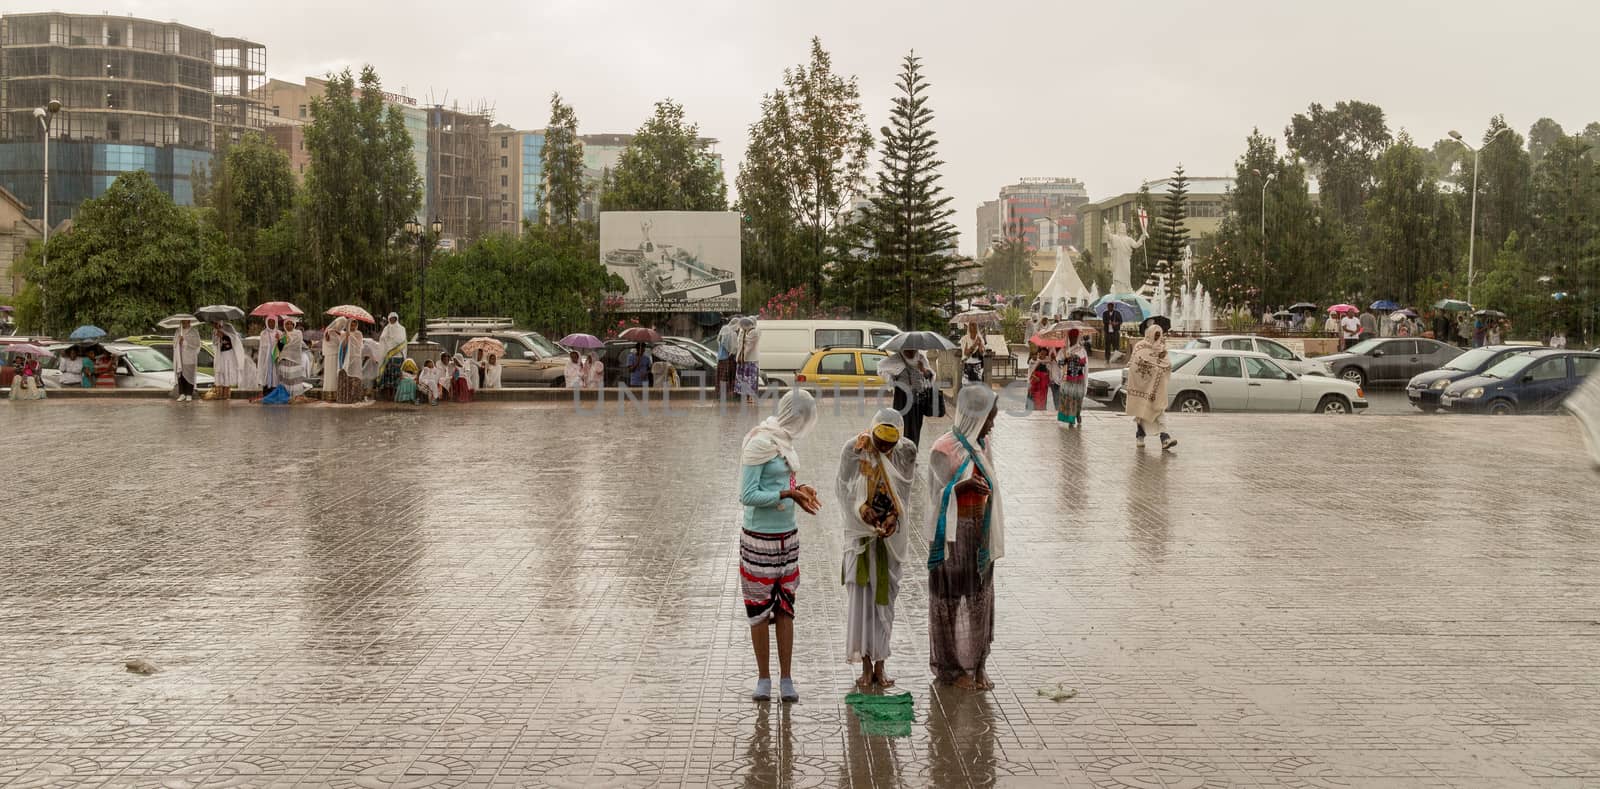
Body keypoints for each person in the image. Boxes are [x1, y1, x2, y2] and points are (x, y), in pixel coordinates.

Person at [739, 389, 821, 703]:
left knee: (786, 607)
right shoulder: (761, 442)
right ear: (796, 416)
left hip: (789, 536)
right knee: (759, 610)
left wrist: (799, 488)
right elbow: (747, 495)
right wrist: (788, 496)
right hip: (759, 539)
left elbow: (780, 484)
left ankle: (787, 677)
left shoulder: (783, 441)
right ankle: (764, 678)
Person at [926, 385, 1005, 690]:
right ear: (975, 415)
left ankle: (979, 663)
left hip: (979, 534)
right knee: (949, 601)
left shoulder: (982, 444)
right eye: (989, 418)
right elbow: (934, 499)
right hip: (953, 537)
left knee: (980, 602)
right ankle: (953, 669)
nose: (992, 425)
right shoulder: (943, 448)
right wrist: (961, 487)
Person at [836, 408, 915, 691]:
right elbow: (842, 490)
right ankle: (866, 666)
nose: (883, 449)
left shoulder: (907, 452)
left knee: (885, 604)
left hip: (889, 540)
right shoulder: (855, 449)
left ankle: (881, 665)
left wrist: (894, 517)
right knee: (863, 601)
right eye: (879, 442)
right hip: (861, 538)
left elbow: (904, 493)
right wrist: (862, 510)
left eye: (889, 445)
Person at [1125, 324, 1176, 451]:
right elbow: (1136, 364)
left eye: (1160, 335)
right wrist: (1153, 368)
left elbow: (1168, 365)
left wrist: (1161, 358)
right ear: (1149, 334)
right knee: (1141, 412)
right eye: (1156, 334)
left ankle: (1165, 439)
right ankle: (1140, 436)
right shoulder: (1140, 346)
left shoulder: (1161, 348)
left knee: (1159, 410)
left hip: (1156, 388)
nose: (1158, 337)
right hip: (1141, 387)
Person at [877, 347, 933, 448]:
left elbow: (930, 376)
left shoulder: (920, 359)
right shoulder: (896, 359)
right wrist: (893, 378)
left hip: (917, 399)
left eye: (913, 350)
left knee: (915, 427)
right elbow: (881, 368)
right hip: (901, 398)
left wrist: (923, 370)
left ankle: (913, 450)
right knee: (901, 425)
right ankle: (900, 449)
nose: (910, 352)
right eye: (908, 350)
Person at [211, 321, 253, 400]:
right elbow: (214, 342)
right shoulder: (214, 330)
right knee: (221, 372)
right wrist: (217, 337)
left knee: (227, 372)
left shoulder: (228, 326)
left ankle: (227, 393)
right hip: (220, 354)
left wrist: (224, 334)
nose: (215, 324)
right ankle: (220, 393)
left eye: (216, 322)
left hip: (228, 354)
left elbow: (235, 338)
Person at [1058, 329, 1089, 427]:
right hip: (1068, 378)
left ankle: (1078, 414)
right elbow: (1059, 362)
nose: (1073, 339)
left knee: (1078, 399)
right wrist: (1066, 359)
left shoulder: (1081, 350)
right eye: (1071, 337)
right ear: (1069, 337)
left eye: (1074, 337)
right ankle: (1071, 419)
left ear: (1077, 338)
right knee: (1069, 399)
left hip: (1078, 379)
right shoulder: (1064, 350)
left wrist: (1075, 358)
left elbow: (1084, 364)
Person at [375, 312, 407, 401]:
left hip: (398, 356)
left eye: (394, 318)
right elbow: (382, 339)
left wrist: (393, 340)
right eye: (391, 319)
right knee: (388, 376)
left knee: (397, 376)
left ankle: (396, 394)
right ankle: (388, 394)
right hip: (389, 356)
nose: (392, 320)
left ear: (397, 319)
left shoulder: (402, 328)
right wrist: (387, 338)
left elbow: (403, 341)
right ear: (389, 319)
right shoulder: (386, 328)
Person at [172, 318, 201, 402]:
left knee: (189, 376)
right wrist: (178, 341)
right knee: (180, 376)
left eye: (185, 321)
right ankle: (182, 394)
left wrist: (185, 342)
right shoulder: (178, 331)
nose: (183, 323)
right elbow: (174, 343)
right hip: (180, 357)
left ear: (189, 321)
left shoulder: (194, 331)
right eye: (182, 321)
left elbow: (197, 344)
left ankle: (189, 394)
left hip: (190, 357)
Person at [734, 317, 762, 403]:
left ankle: (751, 397)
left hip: (751, 359)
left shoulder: (754, 332)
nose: (741, 327)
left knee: (750, 378)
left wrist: (743, 356)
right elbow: (739, 342)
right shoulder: (743, 331)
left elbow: (749, 346)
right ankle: (744, 395)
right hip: (742, 359)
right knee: (743, 378)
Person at [337, 322, 365, 404]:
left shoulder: (359, 334)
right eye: (351, 325)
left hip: (356, 358)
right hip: (347, 359)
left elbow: (360, 346)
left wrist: (351, 336)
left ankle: (355, 398)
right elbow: (343, 347)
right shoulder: (343, 334)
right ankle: (346, 398)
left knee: (356, 377)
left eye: (354, 325)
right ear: (348, 326)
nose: (353, 327)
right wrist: (347, 336)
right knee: (347, 377)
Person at [320, 318, 346, 402]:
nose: (341, 326)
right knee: (330, 373)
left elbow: (343, 343)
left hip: (338, 355)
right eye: (340, 324)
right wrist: (331, 332)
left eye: (343, 325)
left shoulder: (342, 333)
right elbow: (327, 340)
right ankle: (329, 393)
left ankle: (336, 393)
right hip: (330, 355)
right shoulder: (329, 331)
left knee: (336, 373)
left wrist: (338, 333)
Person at [256, 317, 281, 396]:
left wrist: (279, 339)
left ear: (276, 322)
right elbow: (262, 346)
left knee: (275, 374)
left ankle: (275, 392)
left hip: (276, 357)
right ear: (266, 323)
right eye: (269, 321)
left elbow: (282, 346)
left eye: (273, 321)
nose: (271, 323)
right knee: (266, 374)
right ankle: (266, 392)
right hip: (266, 357)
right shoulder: (263, 333)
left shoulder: (280, 333)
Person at [716, 318, 740, 399]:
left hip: (720, 358)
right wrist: (731, 352)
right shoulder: (732, 333)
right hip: (727, 358)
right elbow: (733, 347)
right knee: (726, 377)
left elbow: (720, 342)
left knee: (721, 377)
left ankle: (720, 394)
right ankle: (725, 394)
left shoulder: (724, 329)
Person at [1026, 346, 1051, 412]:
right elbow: (1030, 373)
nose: (1043, 355)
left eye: (1045, 354)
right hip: (1034, 384)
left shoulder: (1046, 362)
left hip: (1043, 385)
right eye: (1042, 353)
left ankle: (1041, 411)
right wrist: (1035, 377)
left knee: (1042, 400)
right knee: (1032, 400)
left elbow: (1048, 372)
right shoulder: (1033, 360)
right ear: (1038, 353)